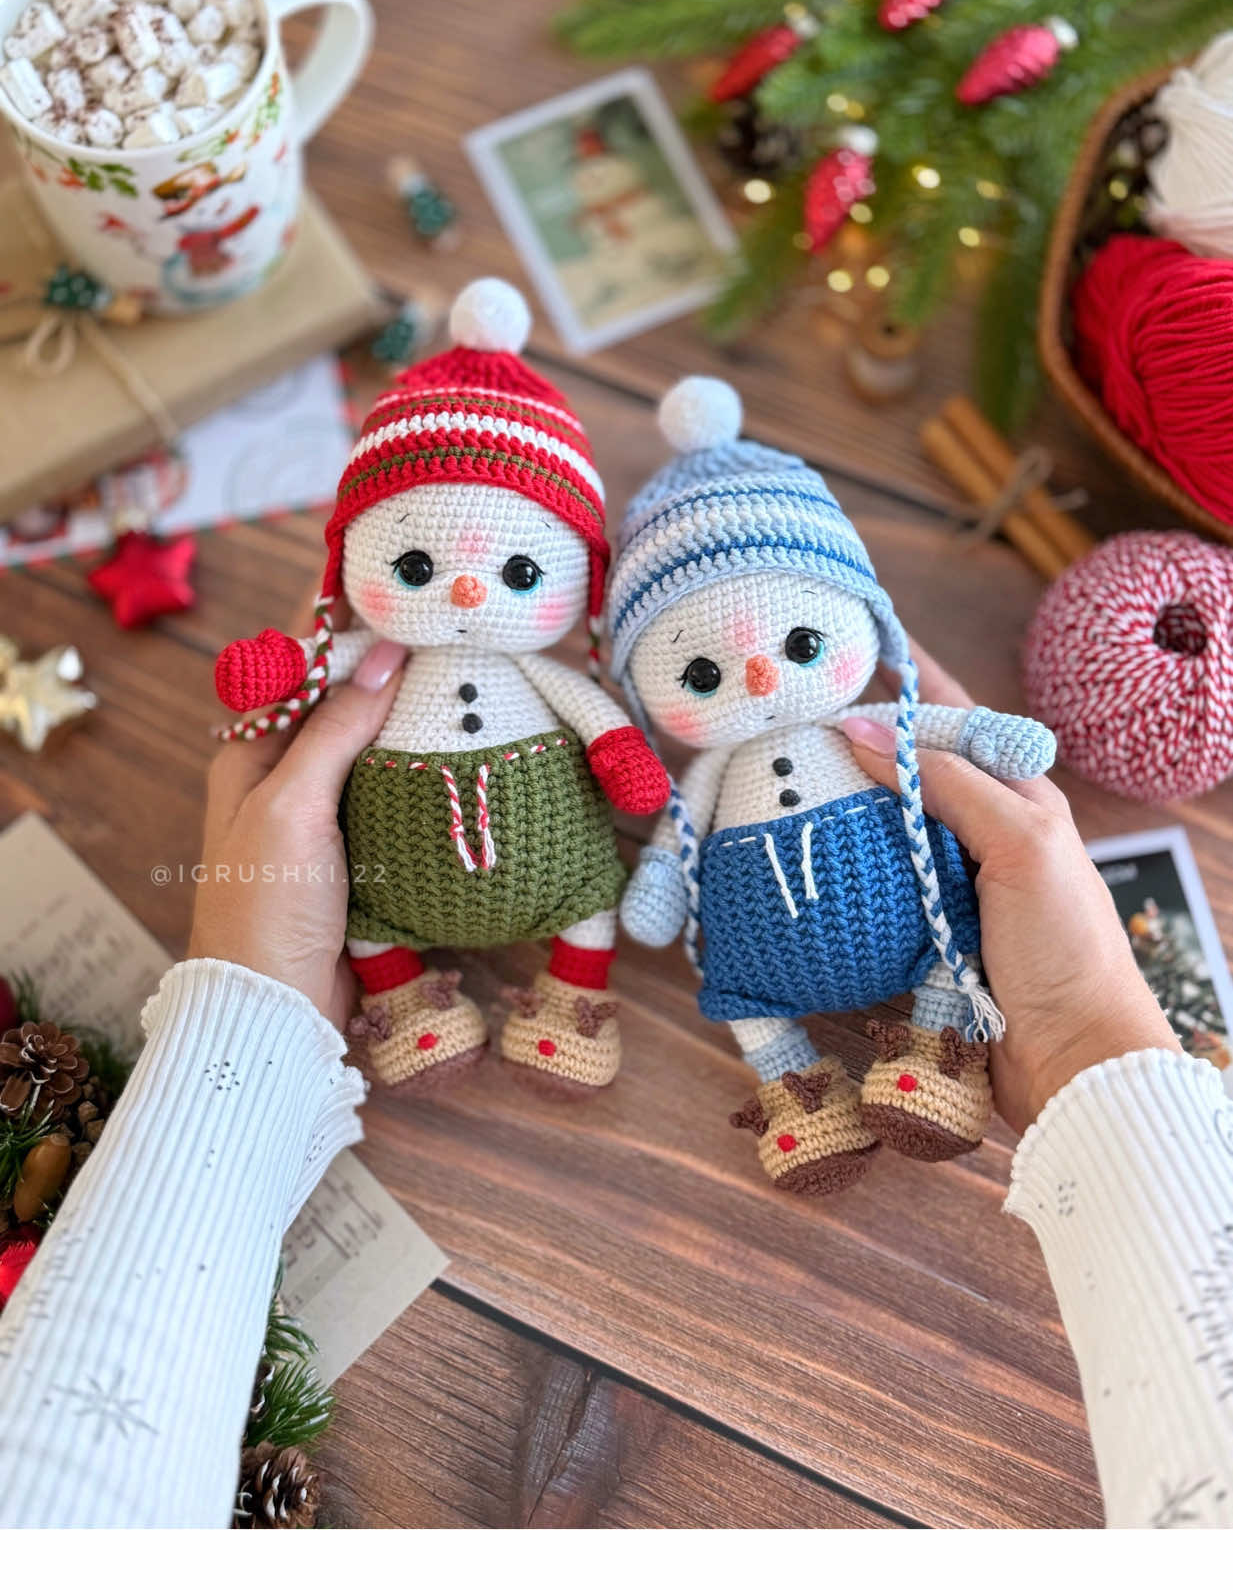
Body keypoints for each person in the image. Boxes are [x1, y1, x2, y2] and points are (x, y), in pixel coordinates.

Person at [0, 637, 1229, 1528]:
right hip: (679, 951)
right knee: (717, 983)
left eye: (799, 643)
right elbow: (660, 807)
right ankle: (770, 1084)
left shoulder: (860, 728)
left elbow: (635, 768)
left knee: (846, 952)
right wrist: (1076, 1040)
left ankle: (922, 1052)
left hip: (881, 950)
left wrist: (247, 1020)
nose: (754, 676)